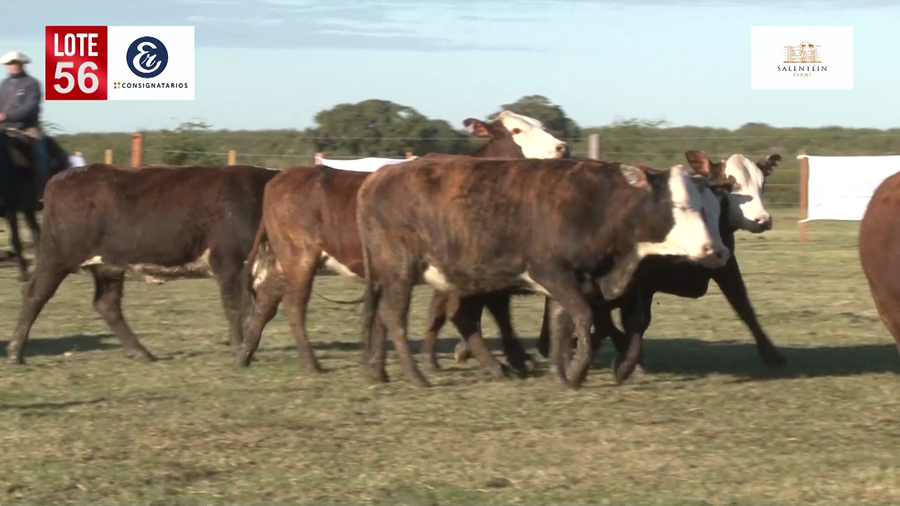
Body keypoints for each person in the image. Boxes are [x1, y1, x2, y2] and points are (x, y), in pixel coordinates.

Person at [0, 50, 48, 198]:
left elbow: (30, 107)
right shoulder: (4, 84)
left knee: (41, 155)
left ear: (23, 64)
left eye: (16, 63)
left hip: (28, 128)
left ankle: (42, 192)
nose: (13, 66)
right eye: (10, 63)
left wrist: (7, 115)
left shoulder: (32, 83)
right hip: (5, 128)